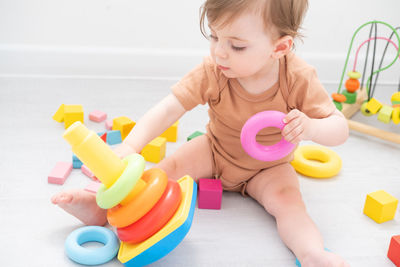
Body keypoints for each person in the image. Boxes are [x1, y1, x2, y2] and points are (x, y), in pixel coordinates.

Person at [51, 0, 350, 266]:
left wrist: (310, 127)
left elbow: (340, 129)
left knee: (289, 202)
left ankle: (312, 254)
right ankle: (98, 209)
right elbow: (169, 109)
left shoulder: (297, 78)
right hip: (214, 150)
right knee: (162, 172)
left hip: (269, 167)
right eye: (215, 36)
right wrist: (131, 145)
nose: (220, 51)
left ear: (279, 47)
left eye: (237, 45)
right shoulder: (214, 71)